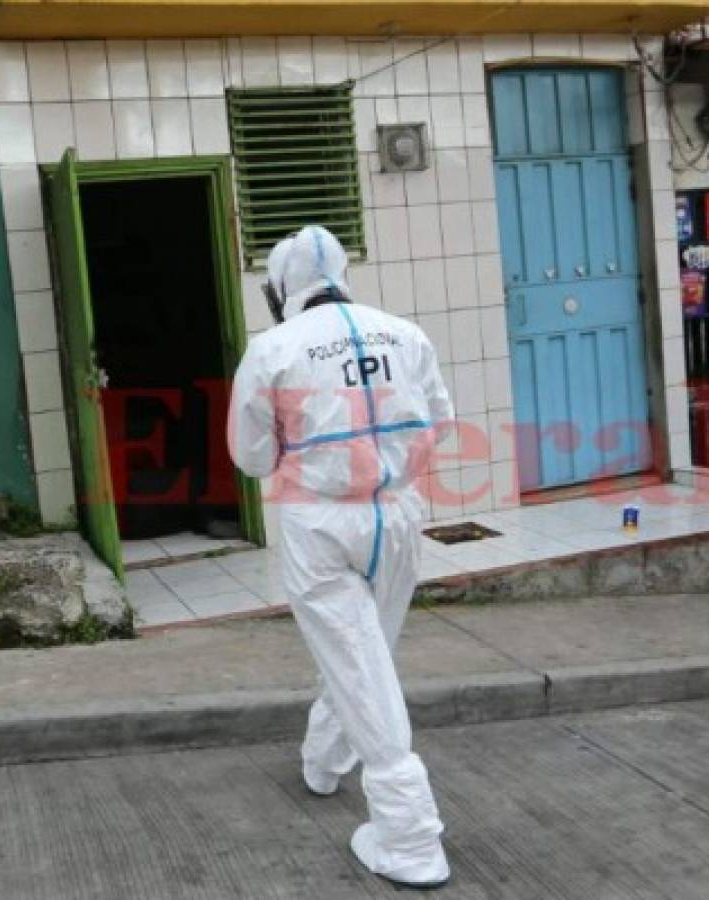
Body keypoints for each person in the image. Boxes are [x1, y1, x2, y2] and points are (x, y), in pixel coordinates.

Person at [227, 226, 453, 889]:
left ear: (278, 290)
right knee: (364, 651)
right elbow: (438, 421)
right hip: (398, 512)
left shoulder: (271, 348)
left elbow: (252, 457)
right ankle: (324, 760)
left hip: (320, 519)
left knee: (357, 658)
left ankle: (410, 836)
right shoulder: (404, 334)